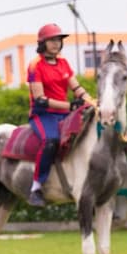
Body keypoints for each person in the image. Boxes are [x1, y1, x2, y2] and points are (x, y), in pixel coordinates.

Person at [26, 23, 95, 207]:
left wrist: (92, 101)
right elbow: (40, 99)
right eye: (52, 40)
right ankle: (36, 187)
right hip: (43, 115)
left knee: (86, 137)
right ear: (43, 43)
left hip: (64, 114)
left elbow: (77, 88)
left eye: (59, 40)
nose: (56, 43)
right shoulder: (35, 65)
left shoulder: (63, 62)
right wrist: (70, 105)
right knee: (51, 141)